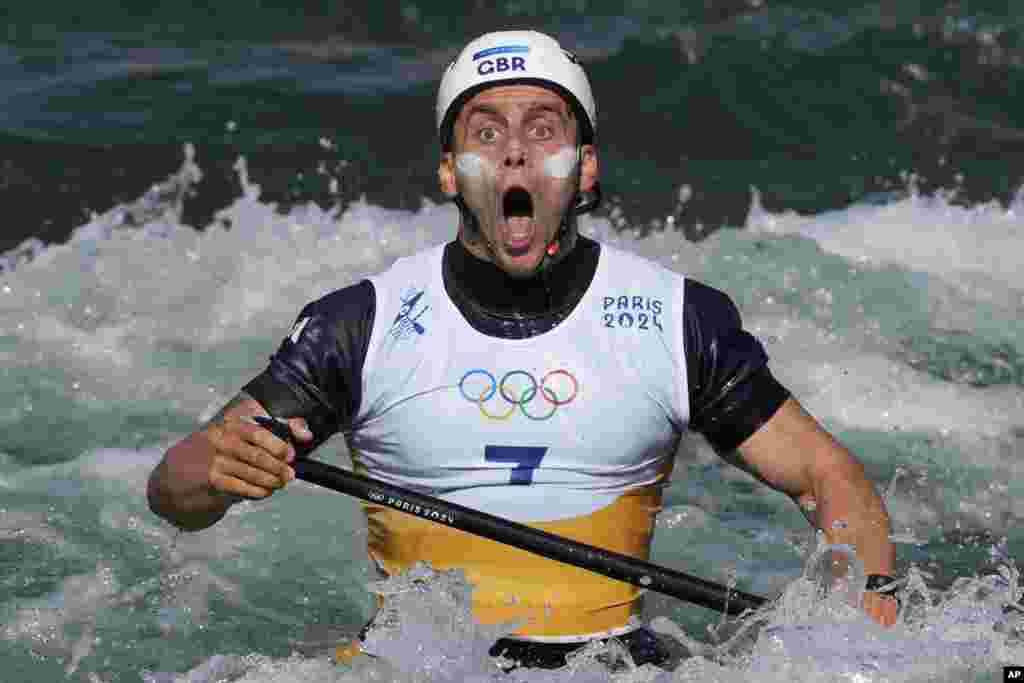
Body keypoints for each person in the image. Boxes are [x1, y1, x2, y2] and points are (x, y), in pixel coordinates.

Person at [147, 30, 899, 670]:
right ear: (449, 170)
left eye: (543, 129)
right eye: (485, 132)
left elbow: (826, 476)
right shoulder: (362, 323)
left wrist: (867, 614)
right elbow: (172, 489)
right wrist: (217, 467)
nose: (514, 154)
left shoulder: (677, 319)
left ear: (586, 167)